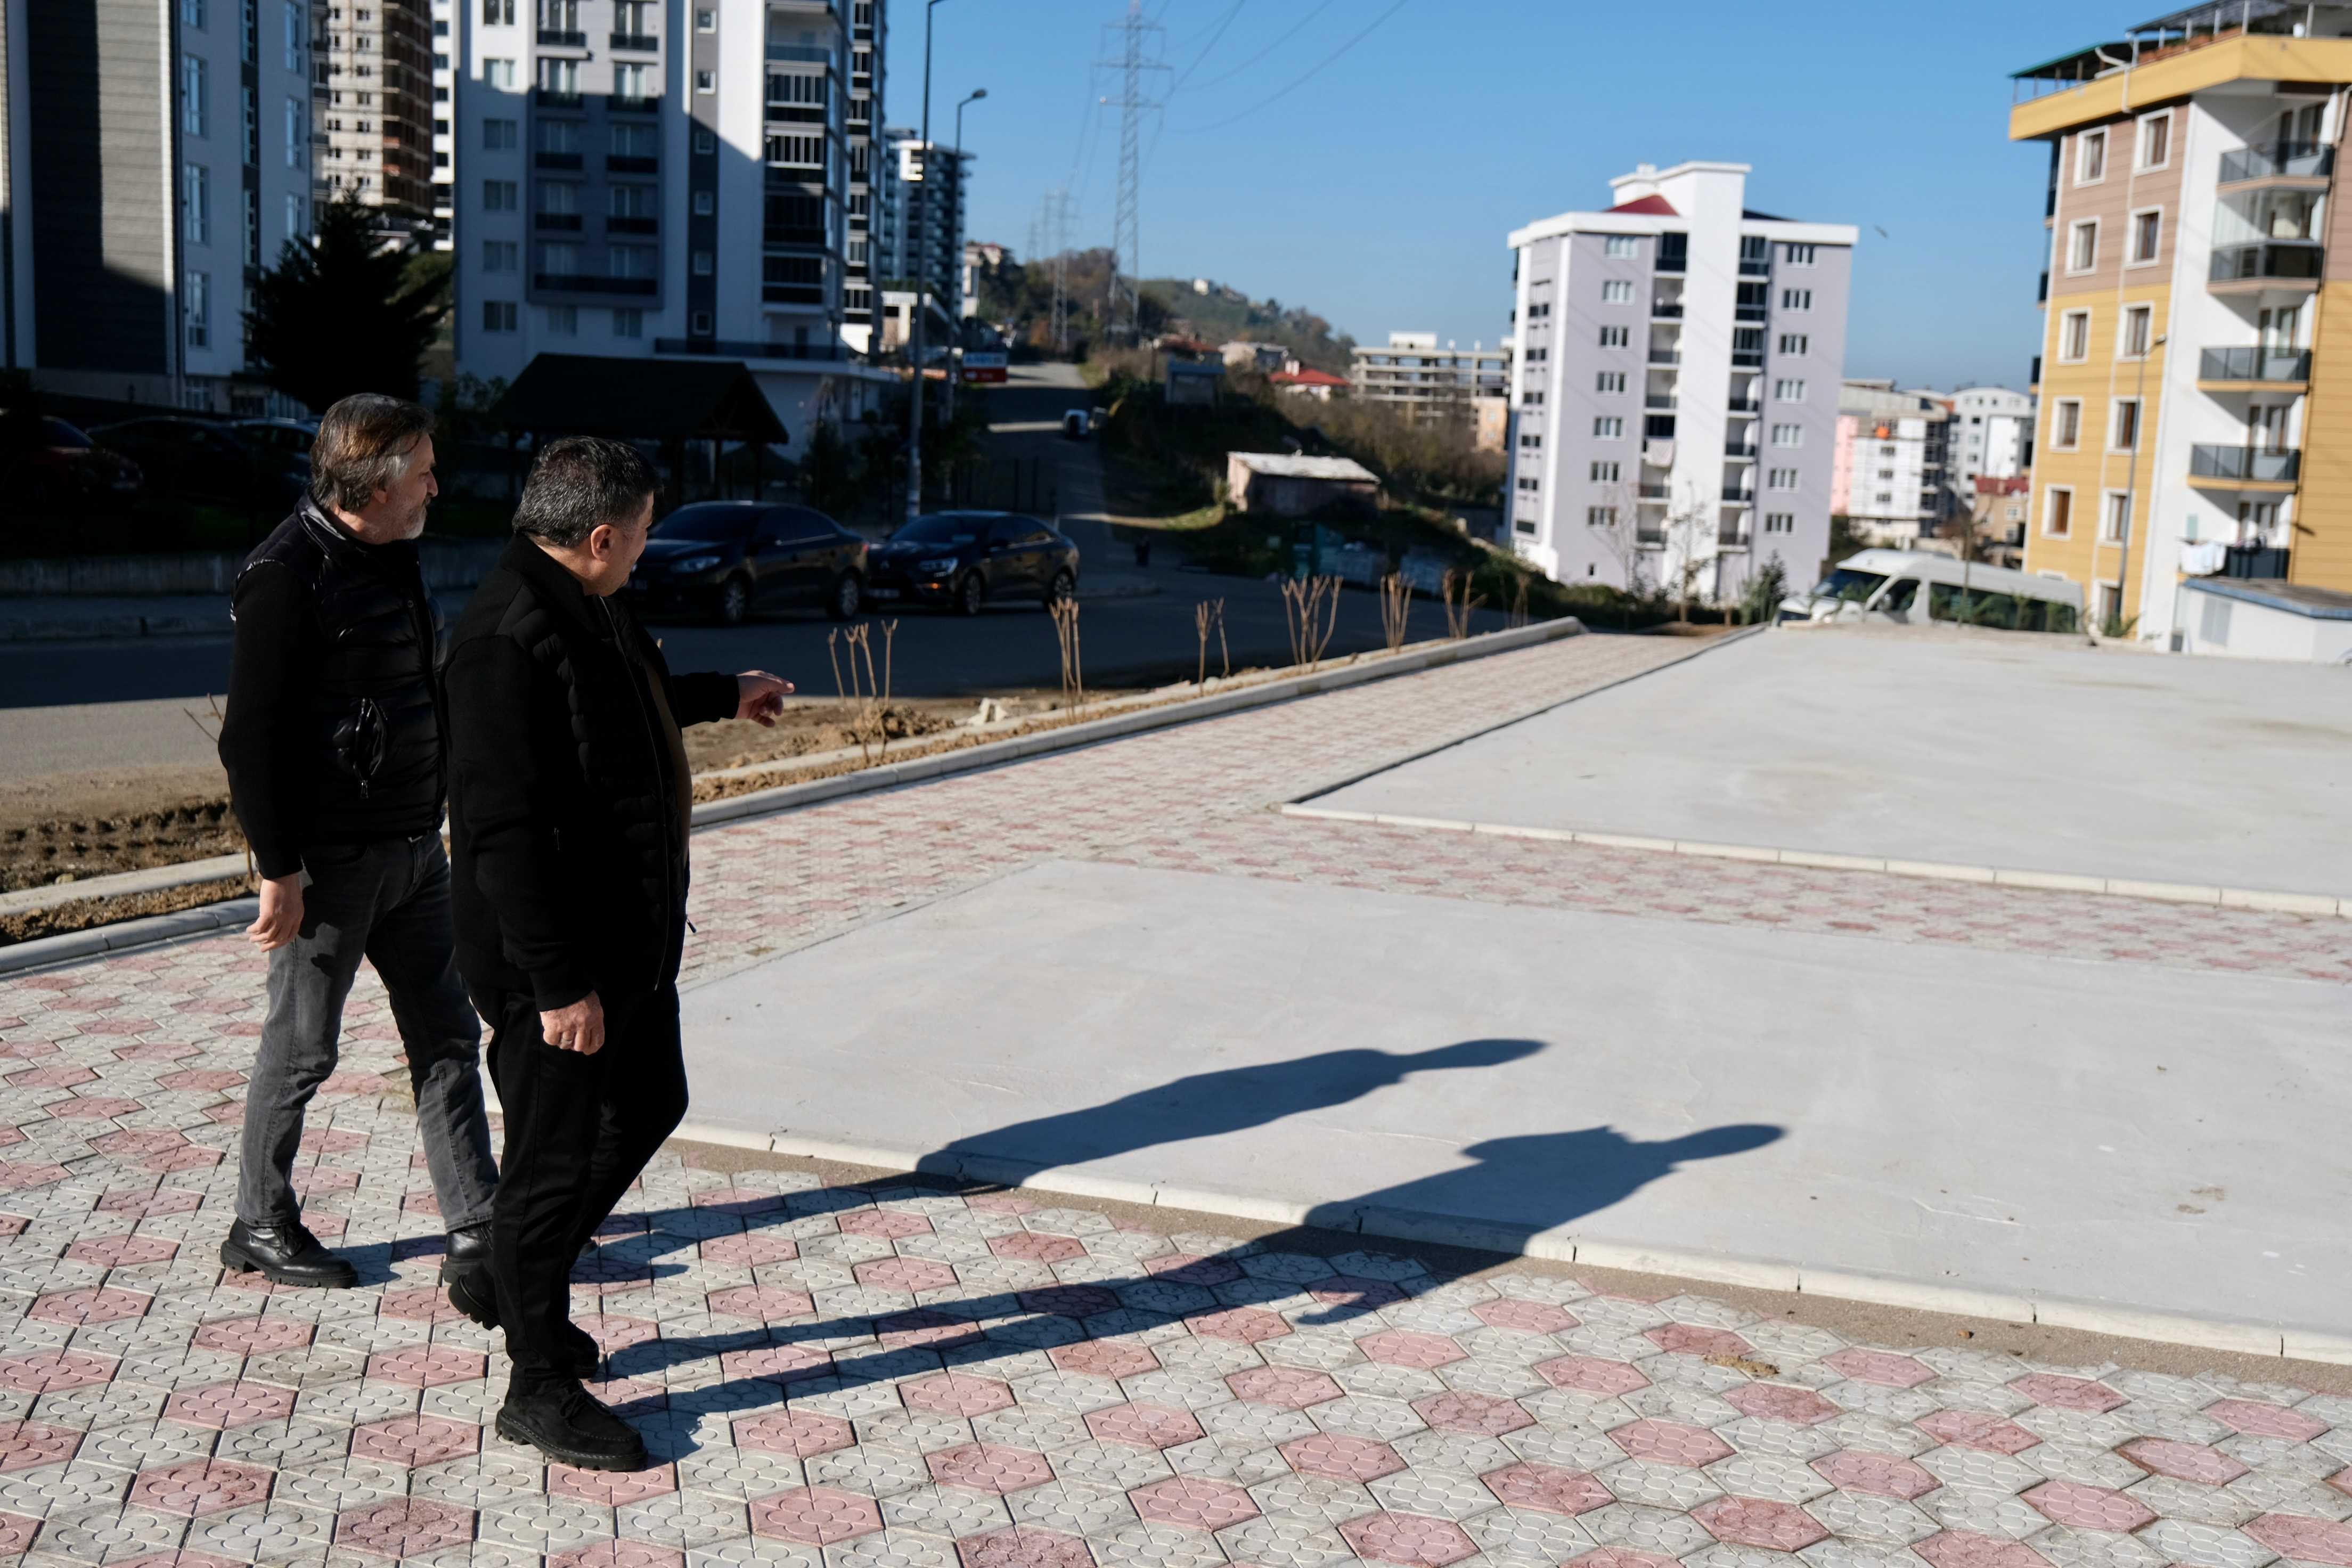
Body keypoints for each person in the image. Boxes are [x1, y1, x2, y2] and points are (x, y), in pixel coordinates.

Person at [444, 437, 789, 1471]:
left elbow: (622, 712)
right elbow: (497, 829)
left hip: (627, 937)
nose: (647, 548)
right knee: (549, 1164)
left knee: (649, 1102)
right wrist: (557, 983)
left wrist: (724, 690)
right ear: (599, 536)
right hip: (557, 963)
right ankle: (536, 1380)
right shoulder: (505, 635)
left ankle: (511, 1270)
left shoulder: (588, 602)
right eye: (641, 533)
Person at [215, 394, 502, 1305]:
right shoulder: (283, 575)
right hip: (330, 866)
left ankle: (478, 1226)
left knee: (450, 1034)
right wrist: (278, 871)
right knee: (303, 1049)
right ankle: (259, 1222)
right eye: (421, 470)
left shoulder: (394, 555)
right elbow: (248, 739)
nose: (435, 485)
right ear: (376, 484)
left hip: (417, 849)